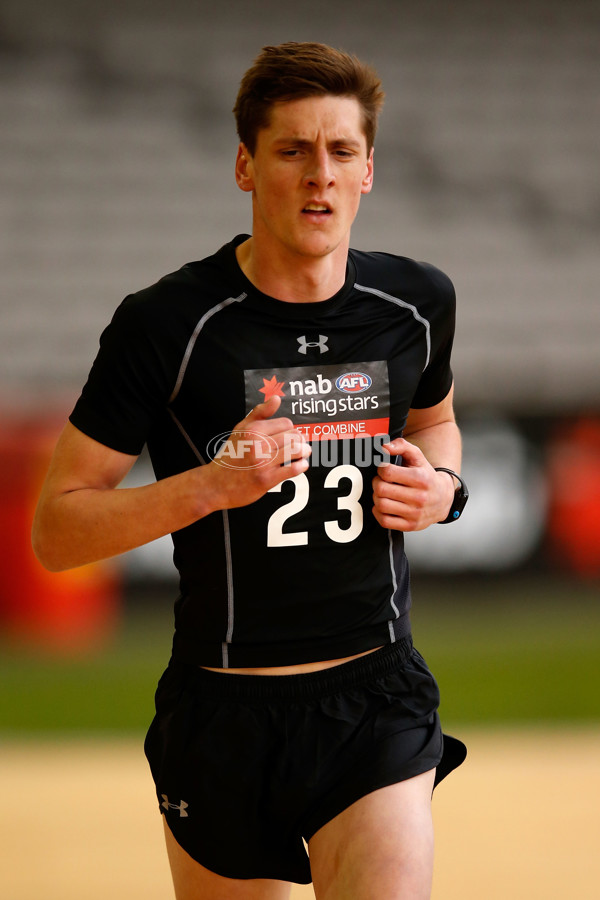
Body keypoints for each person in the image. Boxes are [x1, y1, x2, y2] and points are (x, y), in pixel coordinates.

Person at [32, 41, 467, 900]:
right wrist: (212, 486)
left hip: (376, 697)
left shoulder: (416, 305)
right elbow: (56, 530)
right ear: (245, 165)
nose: (320, 176)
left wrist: (444, 490)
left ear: (369, 169)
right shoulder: (166, 325)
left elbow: (439, 422)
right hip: (221, 712)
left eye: (341, 151)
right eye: (292, 150)